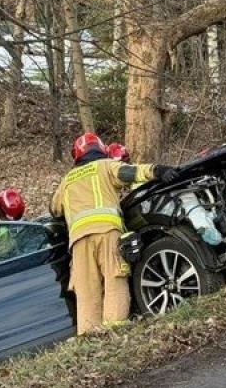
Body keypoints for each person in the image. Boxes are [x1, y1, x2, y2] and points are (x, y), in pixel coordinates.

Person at [50, 134, 170, 334]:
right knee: (115, 280)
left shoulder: (67, 181)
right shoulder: (106, 166)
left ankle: (90, 337)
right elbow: (130, 173)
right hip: (107, 233)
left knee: (86, 291)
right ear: (101, 149)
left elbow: (54, 210)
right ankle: (115, 332)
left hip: (79, 242)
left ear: (77, 155)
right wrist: (157, 170)